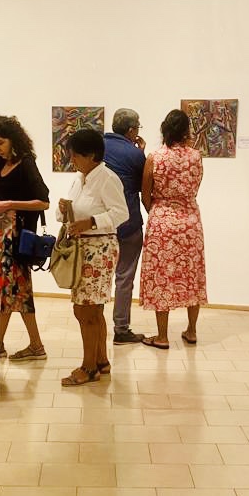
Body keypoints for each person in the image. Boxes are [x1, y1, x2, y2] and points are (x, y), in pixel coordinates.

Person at [58, 128, 129, 386]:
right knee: (92, 309)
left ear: (91, 155)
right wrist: (63, 210)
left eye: (75, 155)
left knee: (86, 309)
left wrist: (91, 222)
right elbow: (73, 212)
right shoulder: (80, 178)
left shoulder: (107, 178)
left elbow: (121, 213)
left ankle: (88, 368)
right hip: (83, 248)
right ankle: (101, 361)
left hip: (99, 249)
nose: (72, 160)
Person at [0, 115, 50, 361]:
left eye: (0, 142)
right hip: (0, 238)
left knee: (12, 291)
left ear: (13, 139)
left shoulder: (26, 163)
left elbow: (43, 201)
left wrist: (9, 204)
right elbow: (0, 198)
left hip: (15, 239)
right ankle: (27, 345)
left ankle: (4, 344)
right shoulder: (0, 164)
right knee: (14, 292)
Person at [139, 108, 208, 348]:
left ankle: (162, 336)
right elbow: (196, 186)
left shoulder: (155, 157)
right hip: (190, 222)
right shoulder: (196, 157)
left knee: (162, 276)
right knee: (192, 274)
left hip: (162, 222)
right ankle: (192, 330)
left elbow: (145, 193)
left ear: (164, 129)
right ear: (186, 130)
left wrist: (158, 210)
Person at [103, 108, 147, 344]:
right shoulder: (134, 153)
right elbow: (144, 185)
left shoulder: (98, 146)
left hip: (100, 223)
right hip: (128, 223)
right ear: (131, 130)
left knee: (98, 276)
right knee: (124, 277)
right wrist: (140, 152)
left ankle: (95, 325)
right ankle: (121, 329)